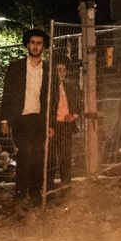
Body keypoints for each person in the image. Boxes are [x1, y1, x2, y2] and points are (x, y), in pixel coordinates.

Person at [0, 28, 50, 202]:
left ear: (44, 46)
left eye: (39, 43)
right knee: (25, 154)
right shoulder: (17, 67)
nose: (35, 46)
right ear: (27, 44)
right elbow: (7, 93)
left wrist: (51, 124)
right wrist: (4, 119)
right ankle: (20, 193)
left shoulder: (48, 70)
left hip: (40, 119)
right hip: (21, 118)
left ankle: (35, 192)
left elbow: (53, 98)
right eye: (33, 43)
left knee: (38, 155)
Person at [48, 61, 79, 189]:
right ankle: (49, 188)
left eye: (63, 70)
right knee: (51, 158)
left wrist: (73, 116)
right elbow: (47, 109)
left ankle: (66, 186)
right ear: (54, 72)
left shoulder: (70, 87)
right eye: (59, 70)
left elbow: (77, 104)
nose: (61, 73)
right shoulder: (49, 89)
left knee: (65, 157)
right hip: (53, 127)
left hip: (66, 126)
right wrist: (49, 125)